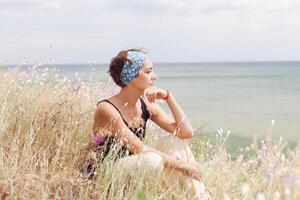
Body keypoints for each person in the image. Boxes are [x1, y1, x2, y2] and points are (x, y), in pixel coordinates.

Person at [89, 48, 209, 199]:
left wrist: (168, 97)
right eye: (148, 71)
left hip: (138, 166)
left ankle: (197, 197)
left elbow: (186, 132)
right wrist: (185, 167)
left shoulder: (145, 105)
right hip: (107, 174)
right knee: (152, 159)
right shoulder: (106, 109)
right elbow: (139, 148)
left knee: (174, 142)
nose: (155, 77)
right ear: (132, 76)